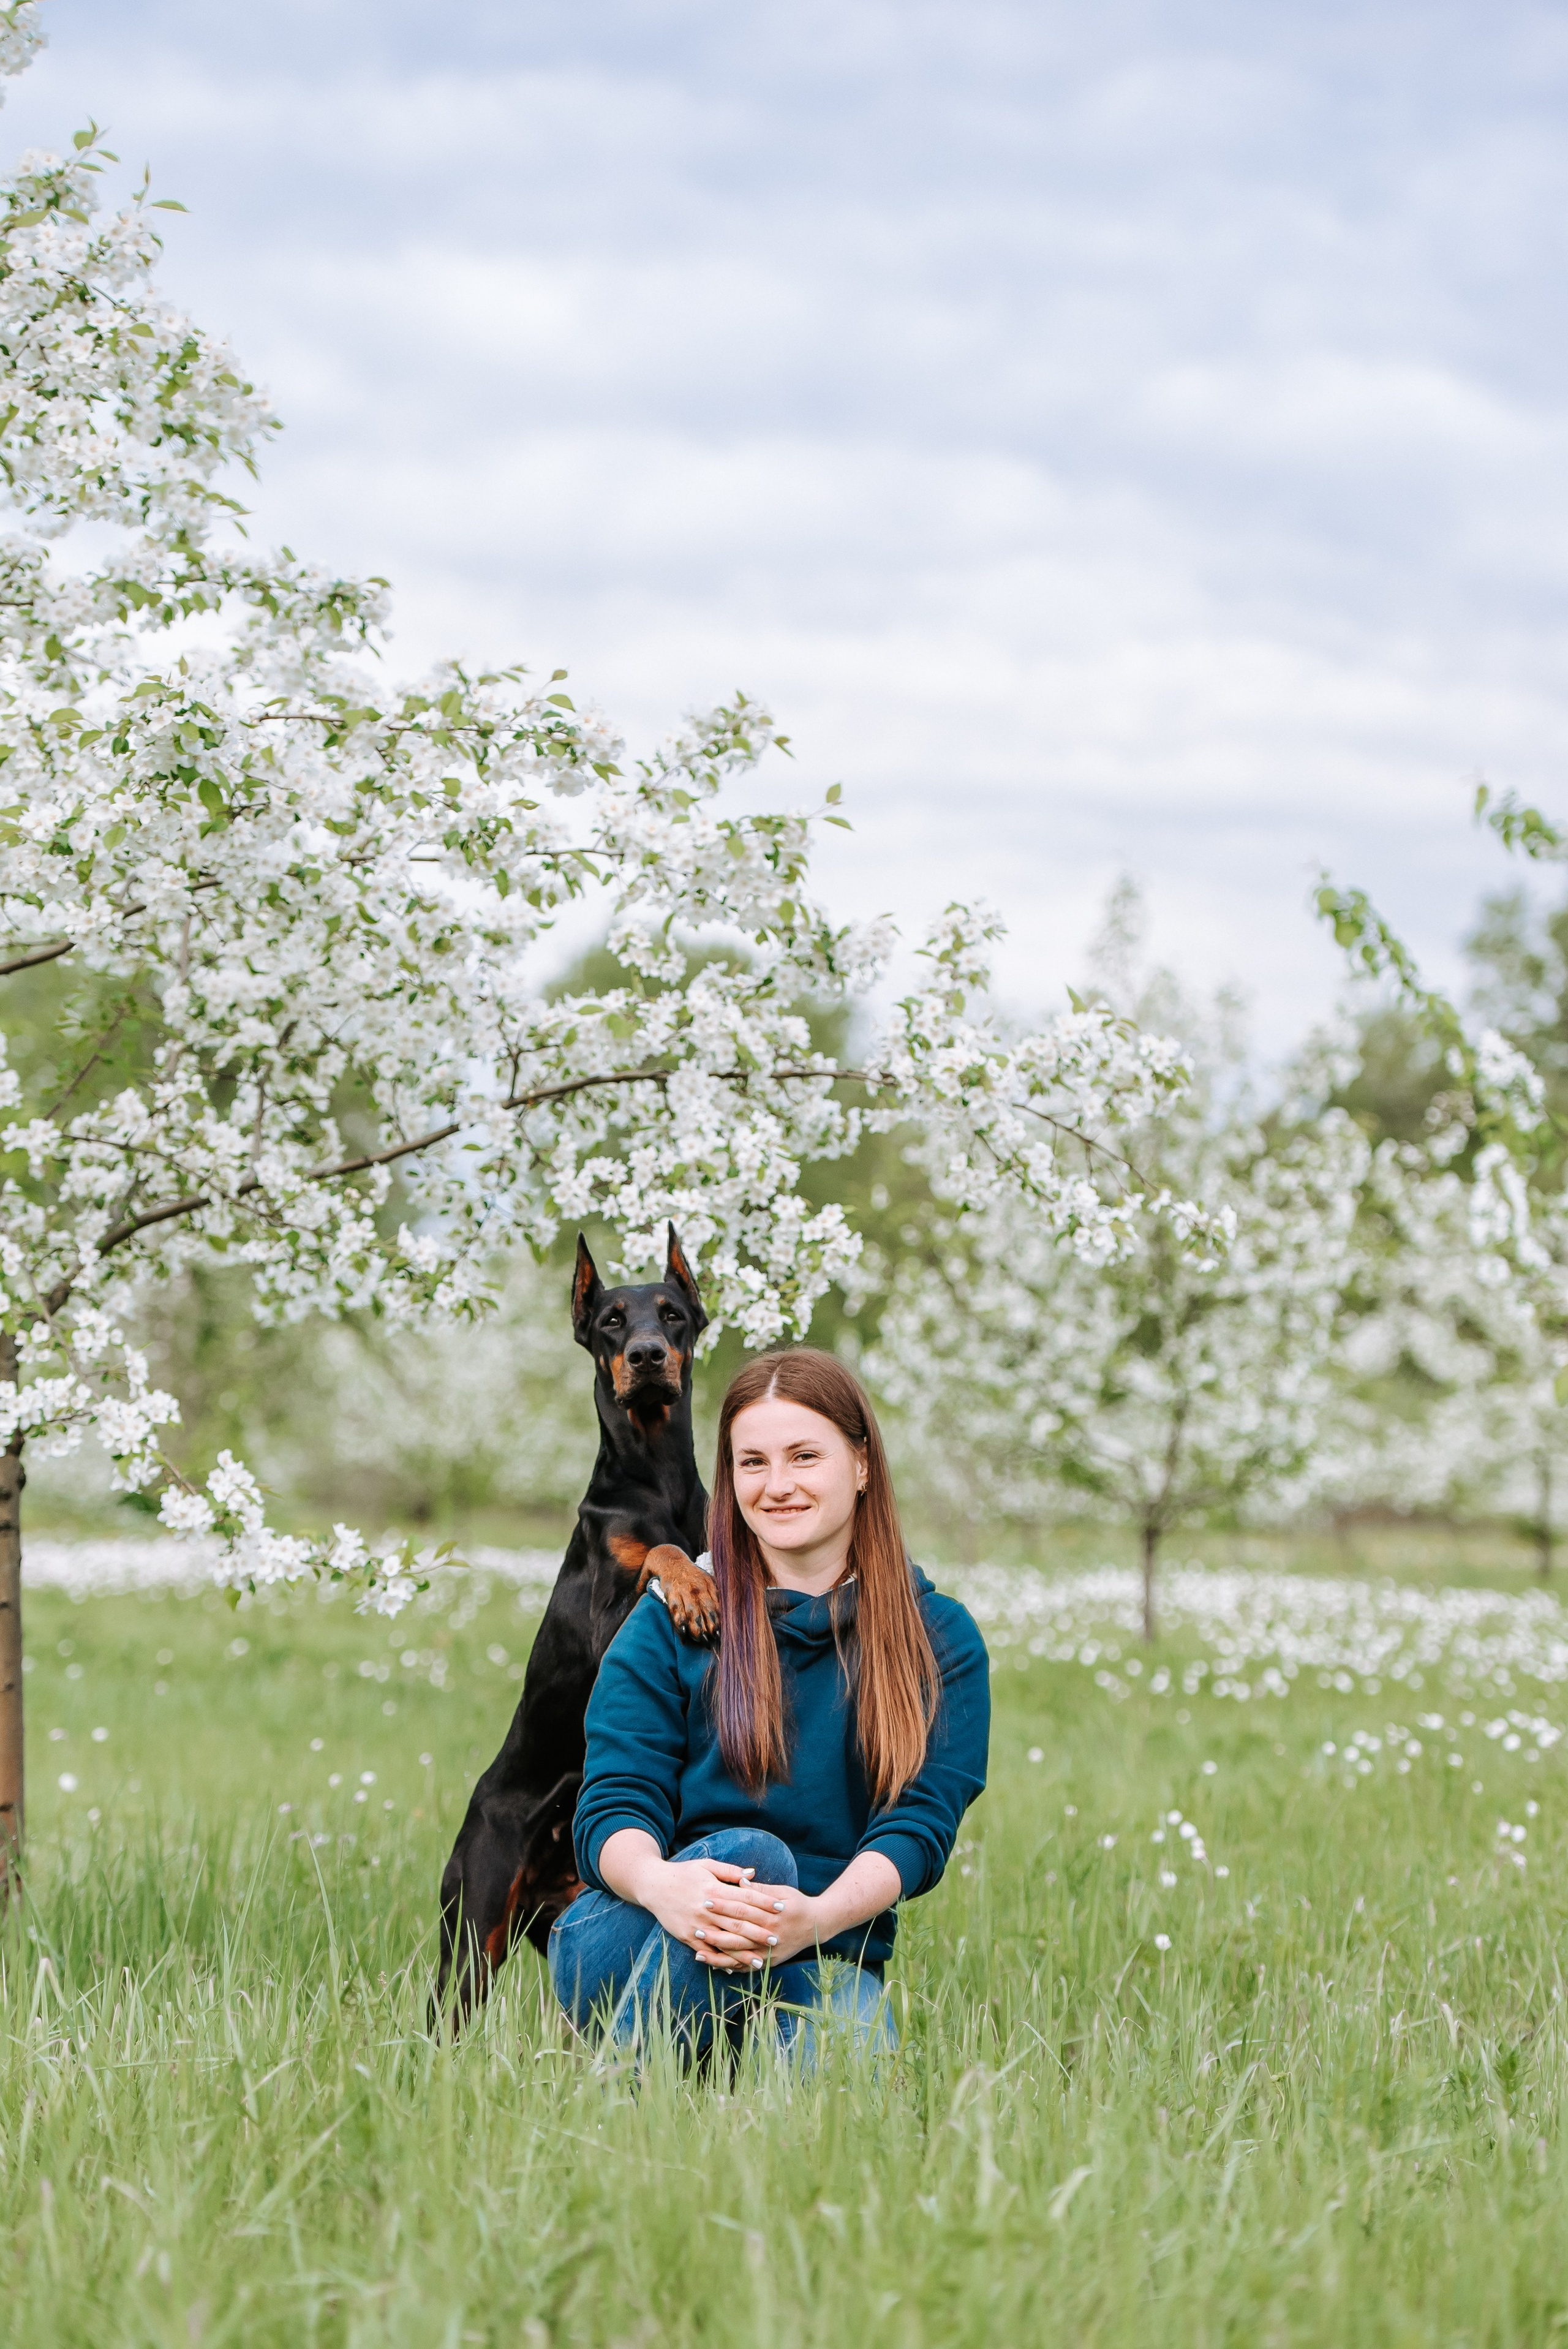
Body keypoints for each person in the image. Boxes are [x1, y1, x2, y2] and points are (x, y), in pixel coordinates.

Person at [549, 1346, 990, 2063]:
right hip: (633, 1927)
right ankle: (623, 2109)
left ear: (862, 1465)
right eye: (752, 1462)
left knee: (845, 2096)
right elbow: (614, 1804)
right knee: (755, 1856)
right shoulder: (674, 1618)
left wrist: (814, 1919)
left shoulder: (939, 1638)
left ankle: (699, 2064)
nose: (776, 1485)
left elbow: (919, 1822)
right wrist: (667, 1888)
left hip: (821, 1947)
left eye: (804, 1457)